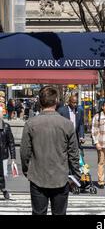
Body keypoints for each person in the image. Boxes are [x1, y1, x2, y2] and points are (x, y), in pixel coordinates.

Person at [20, 86, 80, 216]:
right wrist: (76, 176)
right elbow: (74, 153)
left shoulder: (31, 123)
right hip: (61, 177)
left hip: (38, 176)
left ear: (40, 102)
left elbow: (24, 152)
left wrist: (27, 170)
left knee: (38, 212)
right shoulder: (66, 124)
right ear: (56, 101)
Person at [0, 107, 16, 200]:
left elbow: (11, 142)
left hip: (3, 155)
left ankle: (3, 189)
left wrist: (13, 157)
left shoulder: (6, 126)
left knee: (3, 174)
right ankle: (4, 190)